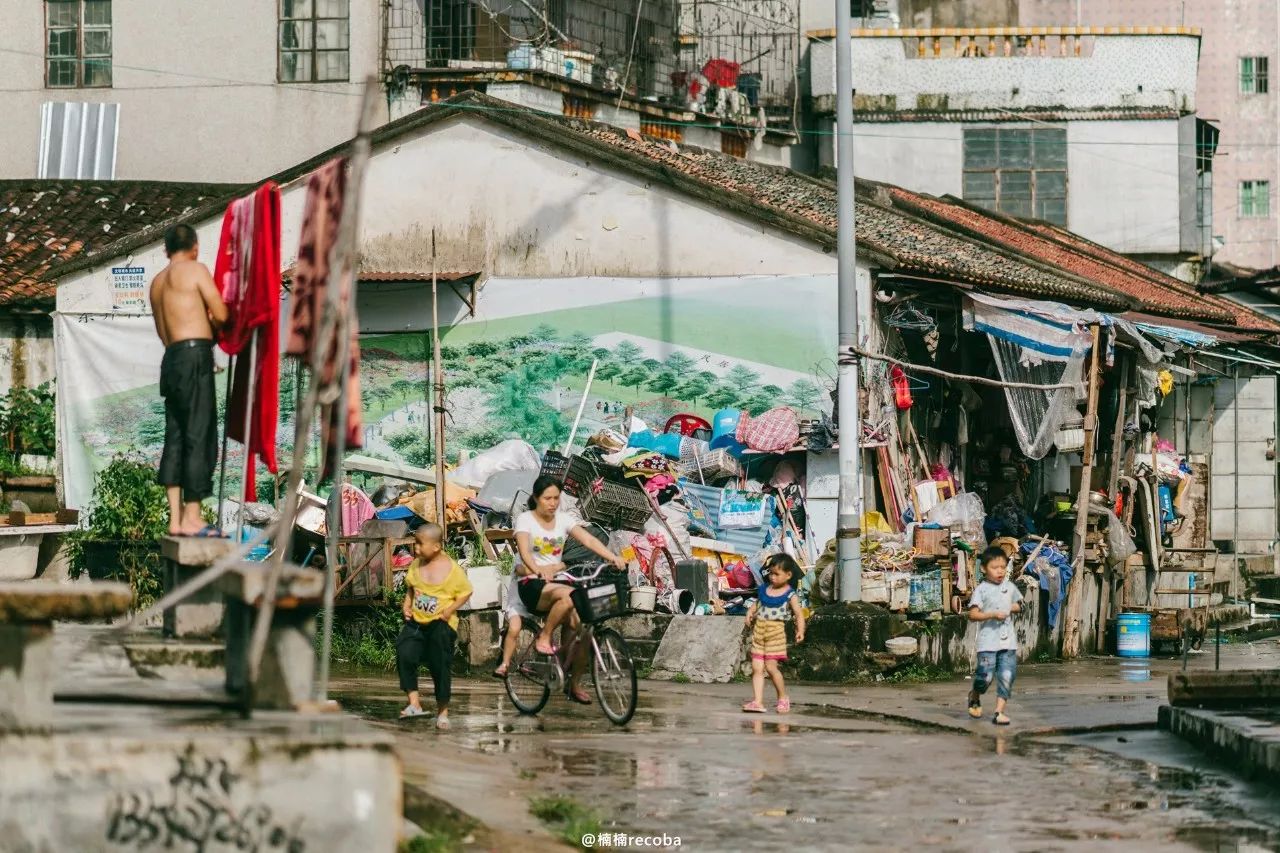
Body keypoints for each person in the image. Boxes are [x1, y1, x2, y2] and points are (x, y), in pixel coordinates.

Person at [514, 475, 625, 704]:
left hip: (557, 582)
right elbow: (524, 551)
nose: (552, 503)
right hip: (533, 584)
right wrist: (537, 568)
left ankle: (573, 684)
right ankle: (544, 637)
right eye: (547, 498)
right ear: (536, 498)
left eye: (556, 498)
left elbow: (589, 541)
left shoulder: (563, 520)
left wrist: (612, 557)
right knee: (570, 594)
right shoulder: (526, 520)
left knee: (583, 629)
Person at [150, 224, 229, 537]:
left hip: (171, 359)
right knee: (200, 432)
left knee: (176, 435)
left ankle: (175, 519)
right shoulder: (196, 270)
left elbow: (162, 332)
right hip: (195, 355)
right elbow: (221, 314)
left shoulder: (157, 283)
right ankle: (193, 517)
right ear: (194, 247)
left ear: (166, 250)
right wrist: (212, 325)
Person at [396, 523, 473, 728]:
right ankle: (414, 704)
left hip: (441, 624)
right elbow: (411, 589)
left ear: (437, 546)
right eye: (416, 544)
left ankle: (443, 713)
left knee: (439, 665)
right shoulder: (416, 564)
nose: (417, 549)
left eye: (421, 544)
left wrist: (449, 610)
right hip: (417, 622)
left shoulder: (452, 570)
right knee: (404, 652)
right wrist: (406, 605)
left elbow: (466, 592)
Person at [966, 545, 1024, 726]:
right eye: (994, 567)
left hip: (1008, 642)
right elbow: (973, 614)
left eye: (1003, 567)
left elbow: (1020, 606)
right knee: (985, 677)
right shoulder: (981, 590)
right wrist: (992, 614)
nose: (1000, 571)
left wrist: (1009, 608)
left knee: (1007, 676)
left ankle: (999, 712)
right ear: (984, 568)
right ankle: (975, 695)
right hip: (988, 643)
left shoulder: (1009, 587)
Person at [742, 553, 806, 714]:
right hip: (759, 632)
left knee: (771, 668)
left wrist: (800, 630)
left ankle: (783, 697)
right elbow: (757, 604)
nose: (772, 577)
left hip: (775, 635)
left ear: (788, 575)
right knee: (757, 668)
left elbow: (798, 614)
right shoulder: (764, 589)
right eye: (770, 573)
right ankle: (757, 701)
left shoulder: (790, 594)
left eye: (777, 574)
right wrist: (750, 612)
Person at [492, 571, 530, 679]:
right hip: (521, 597)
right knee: (514, 628)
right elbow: (519, 568)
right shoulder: (523, 557)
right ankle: (504, 663)